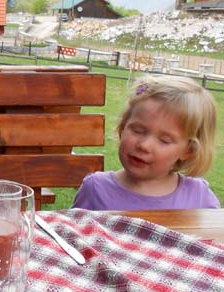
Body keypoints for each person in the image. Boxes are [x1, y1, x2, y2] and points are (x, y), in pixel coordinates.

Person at [73, 75, 219, 211]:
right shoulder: (95, 189)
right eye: (137, 130)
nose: (144, 145)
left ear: (188, 151)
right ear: (123, 128)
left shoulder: (199, 197)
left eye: (164, 140)